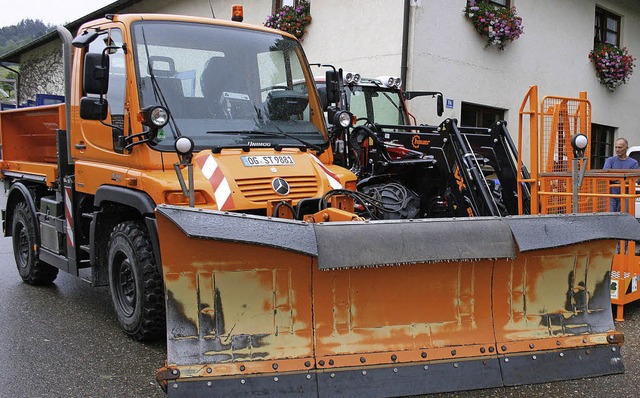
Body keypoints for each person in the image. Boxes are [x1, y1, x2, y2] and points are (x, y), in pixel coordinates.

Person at [603, 137, 639, 212]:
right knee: (610, 217)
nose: (617, 149)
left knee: (623, 217)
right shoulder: (610, 160)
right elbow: (605, 176)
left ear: (626, 148)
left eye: (620, 147)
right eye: (616, 147)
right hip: (611, 195)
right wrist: (623, 179)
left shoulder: (633, 163)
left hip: (626, 195)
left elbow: (632, 180)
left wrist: (613, 179)